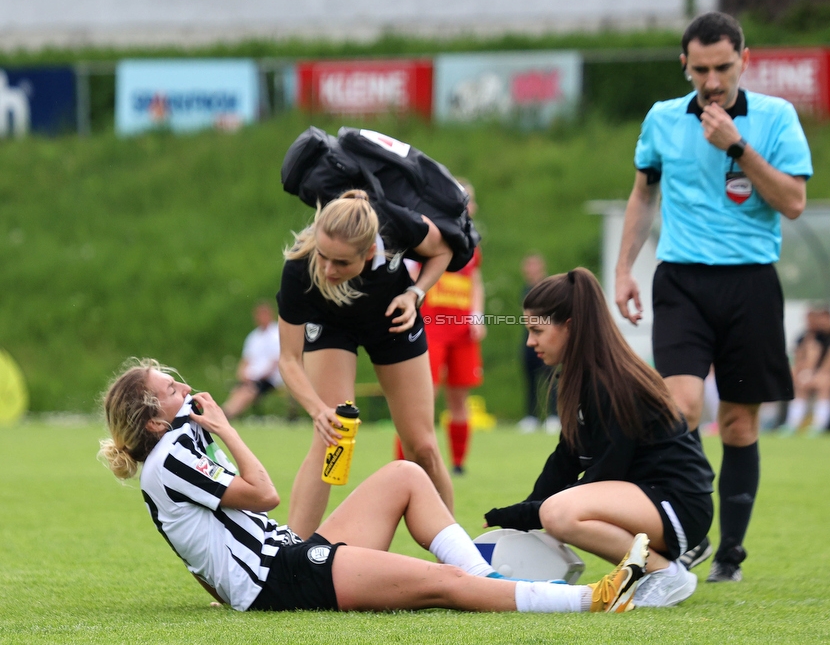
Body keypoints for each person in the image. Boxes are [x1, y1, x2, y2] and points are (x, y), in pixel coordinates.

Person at [97, 358, 649, 614]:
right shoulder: (170, 456)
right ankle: (588, 601)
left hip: (288, 559)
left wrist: (226, 595)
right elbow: (262, 495)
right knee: (446, 583)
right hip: (282, 580)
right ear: (152, 421)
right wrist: (227, 427)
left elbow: (194, 550)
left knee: (406, 475)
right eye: (170, 388)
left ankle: (490, 577)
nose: (185, 386)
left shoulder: (176, 449)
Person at [613, 11, 813, 582]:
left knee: (739, 426)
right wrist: (625, 269)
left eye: (723, 67)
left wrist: (738, 146)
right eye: (700, 69)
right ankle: (684, 532)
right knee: (679, 410)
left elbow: (793, 202)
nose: (712, 80)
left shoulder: (777, 118)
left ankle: (731, 554)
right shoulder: (662, 119)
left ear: (744, 59)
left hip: (750, 283)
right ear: (685, 66)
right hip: (680, 279)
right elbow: (642, 195)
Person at [485, 269, 715, 608]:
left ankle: (664, 573)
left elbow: (604, 475)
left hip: (678, 505)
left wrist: (528, 514)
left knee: (559, 515)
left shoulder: (611, 382)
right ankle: (656, 568)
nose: (530, 341)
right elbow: (565, 459)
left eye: (537, 330)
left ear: (570, 326)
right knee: (553, 511)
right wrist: (521, 518)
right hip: (652, 501)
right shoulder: (582, 377)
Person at [276, 189, 454, 539]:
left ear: (371, 250)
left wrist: (414, 293)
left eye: (341, 263)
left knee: (423, 446)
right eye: (323, 256)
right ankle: (286, 556)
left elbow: (443, 250)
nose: (328, 269)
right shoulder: (300, 266)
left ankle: (462, 563)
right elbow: (288, 359)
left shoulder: (395, 225)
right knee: (331, 439)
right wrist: (317, 411)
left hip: (392, 319)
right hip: (330, 326)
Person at [394, 178, 485, 475]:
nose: (467, 206)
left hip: (462, 329)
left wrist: (478, 314)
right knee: (422, 398)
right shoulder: (427, 234)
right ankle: (405, 463)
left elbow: (475, 280)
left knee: (459, 398)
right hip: (432, 326)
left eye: (469, 200)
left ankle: (459, 463)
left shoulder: (471, 241)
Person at [781, 303, 830, 435]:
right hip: (821, 374)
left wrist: (814, 375)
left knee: (823, 384)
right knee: (802, 384)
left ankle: (819, 425)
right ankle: (793, 424)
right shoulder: (812, 336)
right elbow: (804, 360)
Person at [221, 301, 285, 420]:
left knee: (248, 391)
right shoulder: (254, 336)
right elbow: (246, 360)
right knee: (239, 389)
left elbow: (274, 362)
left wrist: (255, 376)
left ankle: (226, 414)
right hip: (252, 378)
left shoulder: (276, 334)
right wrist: (242, 374)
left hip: (269, 378)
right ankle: (225, 412)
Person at [518, 253, 559, 434]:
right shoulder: (525, 290)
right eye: (529, 266)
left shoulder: (549, 290)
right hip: (529, 340)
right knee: (531, 380)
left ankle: (553, 416)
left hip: (546, 340)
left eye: (535, 266)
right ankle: (531, 417)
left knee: (551, 379)